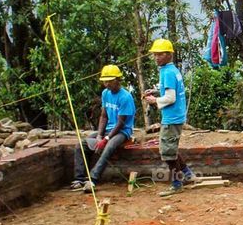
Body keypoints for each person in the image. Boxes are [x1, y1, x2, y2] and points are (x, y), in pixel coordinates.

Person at [142, 38, 196, 196]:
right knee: (170, 149)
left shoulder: (167, 72)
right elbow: (170, 92)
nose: (156, 57)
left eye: (160, 54)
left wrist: (154, 101)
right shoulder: (171, 70)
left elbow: (171, 98)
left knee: (167, 153)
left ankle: (177, 183)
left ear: (169, 55)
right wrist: (156, 92)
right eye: (155, 55)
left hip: (172, 118)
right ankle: (187, 174)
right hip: (176, 116)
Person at [70, 65, 136, 192]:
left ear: (118, 80)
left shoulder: (125, 97)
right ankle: (79, 178)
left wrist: (105, 139)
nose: (107, 84)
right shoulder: (105, 93)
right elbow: (104, 116)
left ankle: (93, 179)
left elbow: (121, 122)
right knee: (82, 144)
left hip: (122, 131)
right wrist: (100, 135)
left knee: (109, 146)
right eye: (105, 81)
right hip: (108, 130)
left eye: (110, 81)